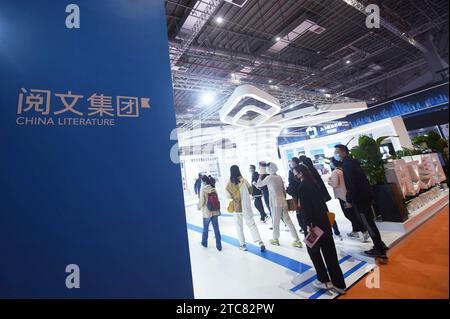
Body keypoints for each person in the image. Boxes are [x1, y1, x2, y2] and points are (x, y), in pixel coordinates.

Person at [293, 164, 346, 294]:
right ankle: (339, 284)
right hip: (324, 223)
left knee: (314, 253)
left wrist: (308, 225)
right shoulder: (314, 184)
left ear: (300, 173)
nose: (294, 175)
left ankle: (324, 280)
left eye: (295, 172)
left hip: (313, 226)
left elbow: (306, 209)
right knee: (330, 254)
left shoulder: (302, 187)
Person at [334, 144, 388, 258]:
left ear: (343, 152)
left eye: (337, 152)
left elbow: (351, 185)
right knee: (370, 222)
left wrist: (349, 200)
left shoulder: (347, 164)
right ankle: (380, 244)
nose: (336, 155)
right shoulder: (352, 162)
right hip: (364, 196)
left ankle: (379, 249)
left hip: (360, 199)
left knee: (368, 223)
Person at [255, 162, 303, 248]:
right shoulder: (279, 177)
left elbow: (259, 184)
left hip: (275, 203)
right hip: (283, 202)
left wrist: (260, 176)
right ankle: (297, 240)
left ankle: (275, 239)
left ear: (269, 169)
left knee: (275, 222)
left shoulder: (270, 177)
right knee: (288, 221)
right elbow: (284, 191)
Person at [299, 155, 343, 241]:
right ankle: (336, 231)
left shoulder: (309, 173)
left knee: (325, 215)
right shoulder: (312, 170)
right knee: (325, 214)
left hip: (318, 198)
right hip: (321, 197)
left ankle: (334, 231)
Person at [328, 157, 369, 242]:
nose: (330, 164)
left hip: (343, 196)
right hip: (347, 194)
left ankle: (364, 230)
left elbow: (335, 184)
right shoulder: (343, 169)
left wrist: (329, 181)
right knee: (352, 213)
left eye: (331, 162)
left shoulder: (335, 172)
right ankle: (355, 231)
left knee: (349, 215)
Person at [226, 165, 266, 252]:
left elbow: (227, 196)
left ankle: (242, 245)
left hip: (237, 208)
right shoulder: (244, 180)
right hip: (246, 206)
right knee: (252, 224)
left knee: (239, 226)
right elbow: (251, 191)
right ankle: (260, 242)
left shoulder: (229, 183)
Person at [197, 175, 222, 251]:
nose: (201, 183)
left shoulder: (203, 189)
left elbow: (202, 201)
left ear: (204, 181)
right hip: (215, 211)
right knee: (216, 228)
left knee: (205, 228)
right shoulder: (213, 188)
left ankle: (204, 243)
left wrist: (198, 207)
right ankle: (219, 246)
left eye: (202, 181)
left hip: (207, 212)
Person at [286, 157, 305, 233]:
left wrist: (289, 190)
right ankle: (303, 226)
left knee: (299, 211)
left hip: (296, 194)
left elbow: (291, 182)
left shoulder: (293, 171)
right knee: (300, 210)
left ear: (295, 163)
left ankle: (303, 226)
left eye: (291, 162)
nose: (290, 163)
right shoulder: (300, 169)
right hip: (298, 193)